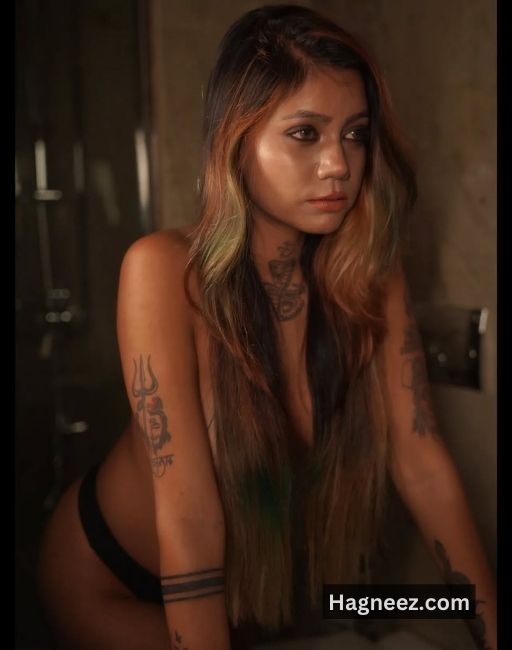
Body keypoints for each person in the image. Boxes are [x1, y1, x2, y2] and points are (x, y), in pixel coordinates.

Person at [38, 4, 497, 649]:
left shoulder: (370, 273)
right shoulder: (162, 270)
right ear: (236, 141)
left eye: (355, 134)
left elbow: (420, 462)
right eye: (305, 133)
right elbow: (190, 517)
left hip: (254, 595)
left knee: (407, 614)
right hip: (114, 582)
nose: (338, 164)